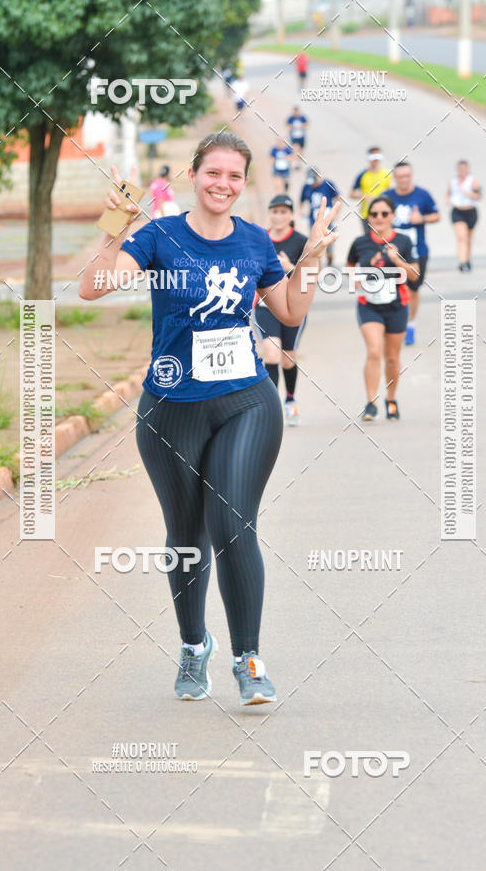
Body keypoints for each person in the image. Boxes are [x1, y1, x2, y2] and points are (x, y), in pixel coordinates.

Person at [79, 132, 339, 706]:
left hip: (246, 400)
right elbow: (92, 289)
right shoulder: (159, 235)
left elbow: (290, 311)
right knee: (187, 536)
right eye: (213, 173)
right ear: (194, 175)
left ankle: (249, 659)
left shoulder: (252, 241)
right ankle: (194, 646)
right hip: (171, 409)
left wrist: (312, 261)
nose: (223, 185)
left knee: (232, 525)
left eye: (235, 177)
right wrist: (113, 225)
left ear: (244, 184)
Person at [347, 196, 419, 421]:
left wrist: (397, 260)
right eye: (374, 214)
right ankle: (370, 403)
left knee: (391, 358)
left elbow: (415, 276)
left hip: (397, 306)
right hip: (369, 305)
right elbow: (349, 265)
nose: (379, 218)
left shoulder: (404, 241)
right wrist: (354, 280)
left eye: (384, 214)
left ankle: (391, 398)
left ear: (392, 216)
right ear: (368, 218)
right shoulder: (360, 242)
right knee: (374, 351)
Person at [253, 194, 309, 426]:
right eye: (274, 212)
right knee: (272, 353)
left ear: (291, 215)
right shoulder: (259, 239)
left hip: (293, 307)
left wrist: (290, 268)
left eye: (283, 212)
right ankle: (271, 407)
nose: (278, 216)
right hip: (265, 306)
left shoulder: (301, 241)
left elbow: (310, 278)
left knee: (288, 358)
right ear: (270, 214)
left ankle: (290, 399)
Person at [382, 162, 439, 345]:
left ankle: (410, 325)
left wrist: (421, 218)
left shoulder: (423, 195)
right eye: (400, 176)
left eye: (407, 176)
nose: (404, 180)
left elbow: (436, 215)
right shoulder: (387, 197)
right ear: (394, 178)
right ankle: (393, 325)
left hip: (417, 251)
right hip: (393, 252)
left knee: (413, 290)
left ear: (411, 175)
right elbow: (376, 220)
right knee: (393, 289)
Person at [300, 167, 341, 267]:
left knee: (329, 243)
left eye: (314, 181)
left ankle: (330, 261)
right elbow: (301, 201)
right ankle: (317, 266)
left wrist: (336, 214)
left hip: (328, 220)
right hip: (313, 220)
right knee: (315, 244)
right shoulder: (307, 186)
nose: (312, 184)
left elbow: (338, 198)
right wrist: (301, 213)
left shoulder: (328, 184)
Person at [447, 159, 481, 272]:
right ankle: (462, 262)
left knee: (468, 238)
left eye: (464, 169)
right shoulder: (453, 181)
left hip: (470, 211)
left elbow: (478, 196)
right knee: (461, 237)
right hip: (457, 211)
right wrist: (447, 200)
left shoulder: (473, 181)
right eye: (460, 169)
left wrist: (466, 192)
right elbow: (449, 193)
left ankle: (467, 259)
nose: (462, 171)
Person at [350, 147, 392, 234]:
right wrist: (364, 197)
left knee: (384, 237)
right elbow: (352, 193)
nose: (375, 161)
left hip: (384, 213)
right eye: (373, 159)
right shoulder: (362, 175)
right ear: (368, 159)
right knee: (369, 240)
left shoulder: (386, 173)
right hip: (367, 214)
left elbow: (390, 192)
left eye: (377, 159)